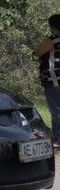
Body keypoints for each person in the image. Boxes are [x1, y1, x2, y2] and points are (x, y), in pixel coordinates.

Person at [34, 13, 60, 150]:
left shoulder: (53, 40)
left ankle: (57, 139)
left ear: (52, 27)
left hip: (54, 80)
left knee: (56, 110)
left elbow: (37, 52)